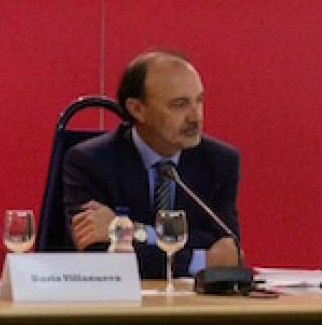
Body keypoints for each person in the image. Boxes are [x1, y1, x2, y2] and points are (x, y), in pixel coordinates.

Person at [63, 51, 242, 279]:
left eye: (199, 101)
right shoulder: (91, 162)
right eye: (180, 105)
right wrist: (201, 260)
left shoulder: (219, 161)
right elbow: (99, 255)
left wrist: (133, 231)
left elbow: (226, 245)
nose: (195, 117)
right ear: (137, 109)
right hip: (115, 307)